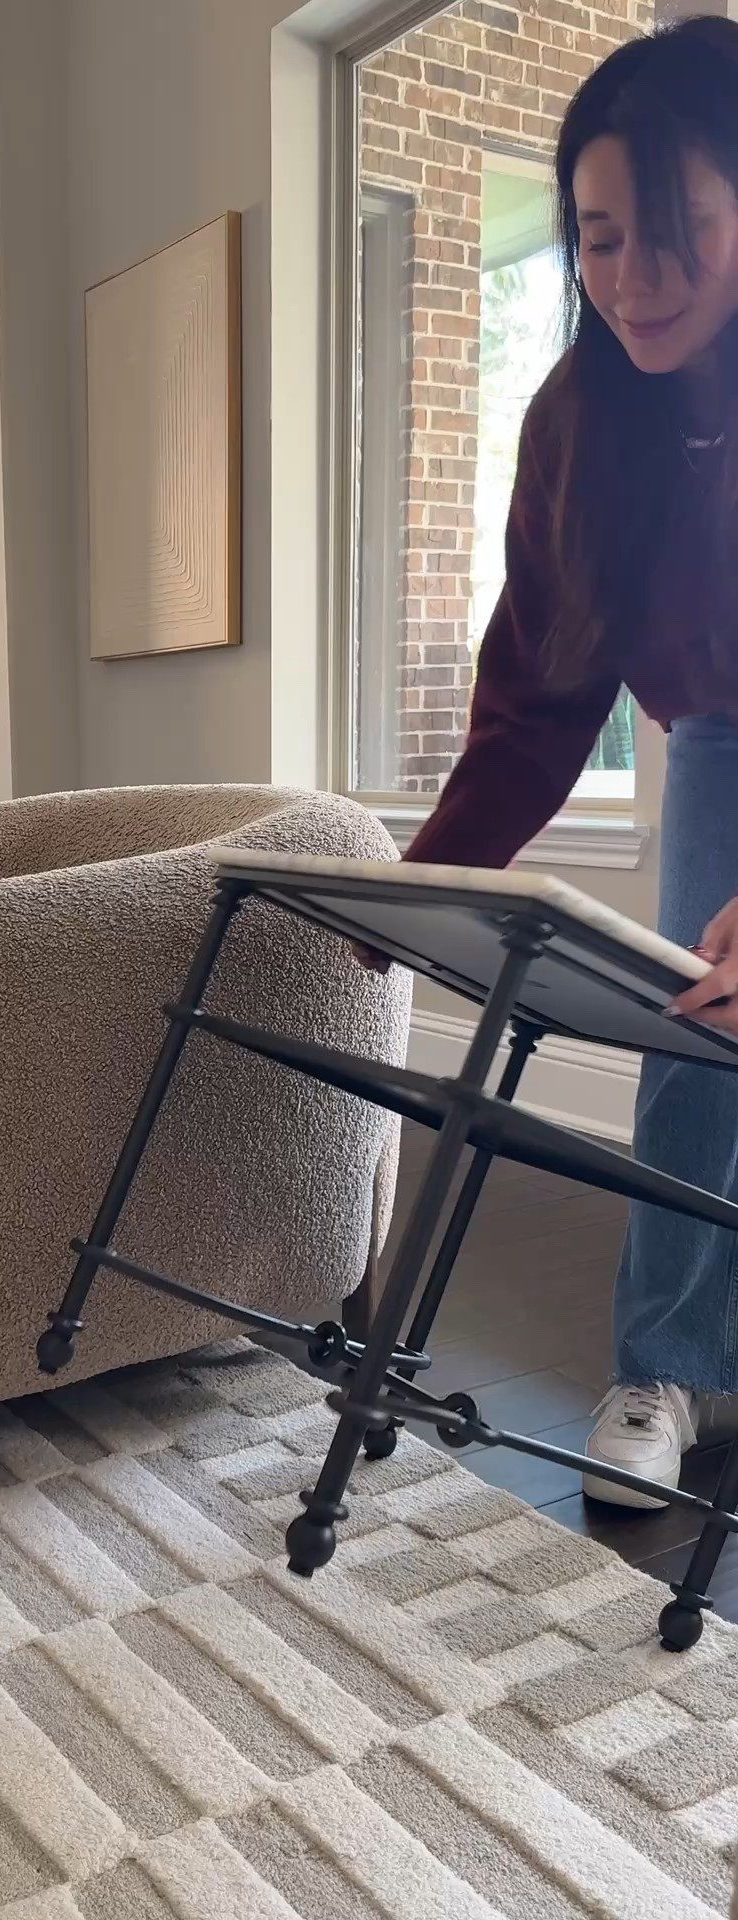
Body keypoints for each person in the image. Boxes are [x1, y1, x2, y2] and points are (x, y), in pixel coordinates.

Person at [388, 13, 738, 1507]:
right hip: (717, 725)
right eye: (596, 240)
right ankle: (665, 1363)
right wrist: (416, 896)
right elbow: (538, 682)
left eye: (673, 234)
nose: (631, 278)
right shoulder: (582, 419)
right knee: (700, 1029)